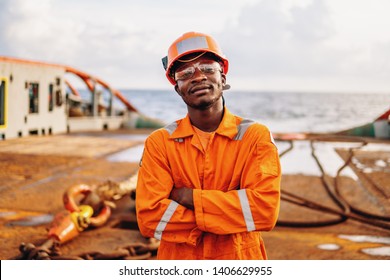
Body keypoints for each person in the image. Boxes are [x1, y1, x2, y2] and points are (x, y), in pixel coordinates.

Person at [136, 31, 281, 260]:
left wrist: (189, 198)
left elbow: (264, 211)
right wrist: (227, 213)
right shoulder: (160, 143)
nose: (198, 76)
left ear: (222, 78)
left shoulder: (255, 137)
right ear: (178, 88)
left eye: (208, 68)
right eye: (185, 73)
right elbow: (150, 219)